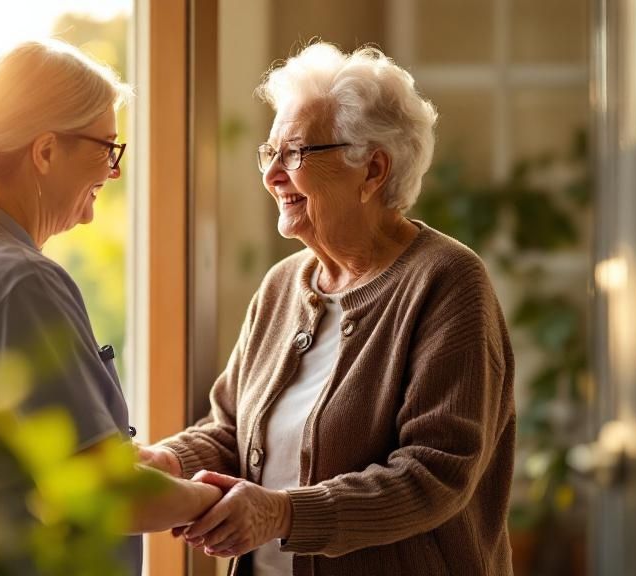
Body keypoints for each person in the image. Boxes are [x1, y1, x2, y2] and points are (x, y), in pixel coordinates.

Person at [139, 42, 516, 575]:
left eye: (294, 153)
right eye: (268, 154)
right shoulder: (282, 286)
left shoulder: (446, 281)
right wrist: (166, 461)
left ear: (372, 170)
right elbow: (230, 429)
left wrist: (283, 514)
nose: (272, 175)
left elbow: (435, 473)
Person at [0, 40, 220, 575]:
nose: (113, 172)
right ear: (44, 151)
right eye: (106, 147)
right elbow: (100, 488)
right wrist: (221, 505)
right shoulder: (22, 280)